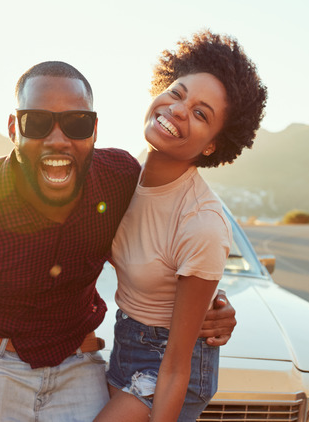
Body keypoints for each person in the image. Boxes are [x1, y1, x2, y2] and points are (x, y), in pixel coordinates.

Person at [0, 61, 237, 422]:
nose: (58, 140)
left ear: (94, 130)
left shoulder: (119, 181)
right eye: (37, 122)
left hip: (78, 359)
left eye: (76, 123)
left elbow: (170, 244)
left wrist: (214, 304)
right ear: (13, 128)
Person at [95, 31, 267, 422]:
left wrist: (212, 302)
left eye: (201, 114)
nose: (178, 109)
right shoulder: (120, 180)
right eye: (177, 92)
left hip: (172, 365)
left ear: (212, 144)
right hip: (126, 342)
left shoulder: (202, 222)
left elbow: (176, 364)